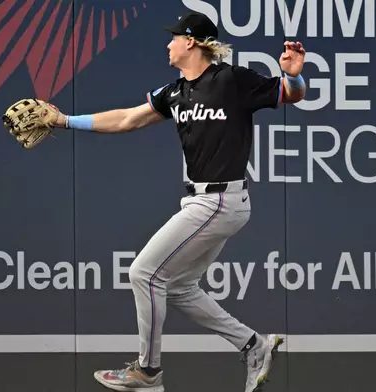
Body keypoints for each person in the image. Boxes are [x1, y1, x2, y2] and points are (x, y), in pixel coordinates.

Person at [46, 11, 306, 392]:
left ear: (191, 42)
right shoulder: (176, 92)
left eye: (174, 38)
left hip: (220, 199)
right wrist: (65, 120)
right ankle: (253, 346)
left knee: (143, 273)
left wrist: (294, 75)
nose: (168, 44)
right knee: (179, 287)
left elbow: (290, 94)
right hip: (203, 202)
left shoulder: (229, 80)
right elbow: (126, 120)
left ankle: (147, 372)